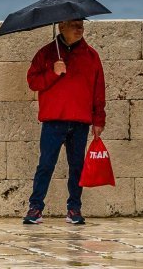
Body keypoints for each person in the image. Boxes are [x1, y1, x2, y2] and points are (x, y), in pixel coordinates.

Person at [23, 19, 106, 225]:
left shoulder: (91, 55)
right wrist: (53, 72)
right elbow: (33, 82)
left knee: (77, 166)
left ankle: (74, 208)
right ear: (61, 27)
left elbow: (98, 90)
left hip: (80, 121)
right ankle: (35, 207)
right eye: (74, 25)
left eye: (81, 25)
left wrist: (99, 119)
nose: (80, 29)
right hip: (54, 120)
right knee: (46, 165)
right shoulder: (46, 54)